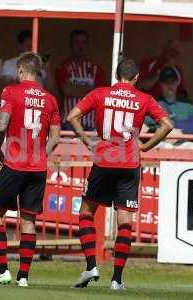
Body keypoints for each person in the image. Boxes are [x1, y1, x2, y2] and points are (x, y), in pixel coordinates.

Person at [66, 58, 173, 290]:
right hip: (130, 162)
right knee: (125, 221)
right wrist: (145, 146)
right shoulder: (144, 98)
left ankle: (91, 266)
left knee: (86, 212)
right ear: (136, 78)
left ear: (116, 75)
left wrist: (87, 141)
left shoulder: (100, 93)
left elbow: (72, 116)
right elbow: (167, 125)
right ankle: (117, 279)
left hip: (105, 159)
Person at [0, 52, 61, 287]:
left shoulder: (11, 91)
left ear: (20, 70)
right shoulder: (50, 99)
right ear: (38, 72)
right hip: (37, 168)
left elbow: (0, 125)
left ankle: (1, 270)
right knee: (28, 220)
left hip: (15, 164)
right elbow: (56, 138)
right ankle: (23, 278)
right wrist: (40, 155)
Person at [55, 29, 105, 130]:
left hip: (90, 123)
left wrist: (74, 89)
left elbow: (99, 94)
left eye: (83, 42)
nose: (80, 46)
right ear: (71, 45)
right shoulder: (64, 67)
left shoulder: (96, 68)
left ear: (87, 45)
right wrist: (89, 89)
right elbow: (67, 90)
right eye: (77, 42)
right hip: (68, 123)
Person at [144, 66, 193, 132]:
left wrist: (175, 125)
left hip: (186, 141)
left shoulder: (188, 107)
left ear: (177, 83)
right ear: (160, 84)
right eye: (166, 83)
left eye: (172, 82)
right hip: (162, 141)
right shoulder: (153, 105)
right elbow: (144, 127)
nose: (170, 86)